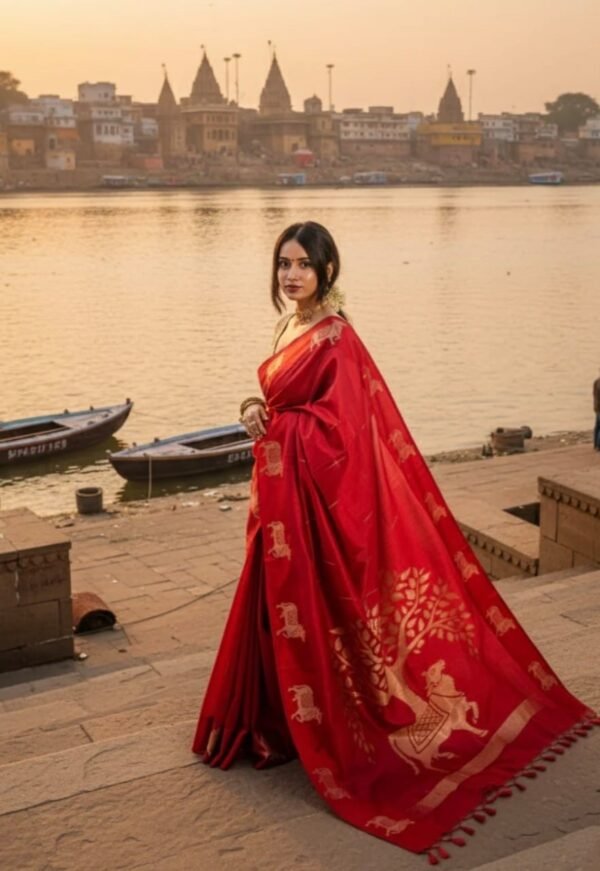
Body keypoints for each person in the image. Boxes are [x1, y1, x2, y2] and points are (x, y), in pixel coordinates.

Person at [192, 221, 596, 861]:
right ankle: (276, 725)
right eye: (283, 264)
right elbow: (278, 397)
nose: (290, 275)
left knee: (326, 618)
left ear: (328, 270)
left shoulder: (338, 337)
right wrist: (252, 407)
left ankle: (332, 731)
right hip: (283, 505)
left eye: (303, 265)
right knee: (275, 609)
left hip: (314, 504)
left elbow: (343, 431)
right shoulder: (291, 325)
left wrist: (286, 433)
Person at [594, 370, 600, 451]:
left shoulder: (596, 381)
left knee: (597, 426)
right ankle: (598, 445)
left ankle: (596, 444)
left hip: (596, 406)